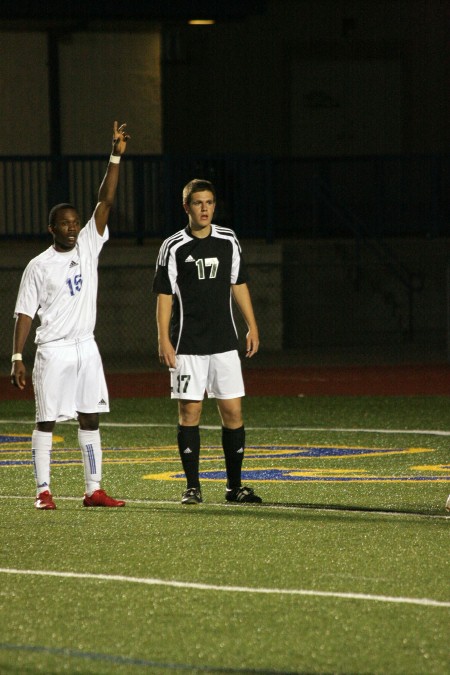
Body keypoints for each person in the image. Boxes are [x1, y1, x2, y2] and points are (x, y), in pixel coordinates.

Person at [10, 121, 130, 510]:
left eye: (76, 221)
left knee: (90, 417)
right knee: (46, 421)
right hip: (54, 351)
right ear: (51, 229)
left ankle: (93, 489)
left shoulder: (89, 245)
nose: (73, 226)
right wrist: (17, 356)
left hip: (85, 348)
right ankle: (43, 492)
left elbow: (105, 202)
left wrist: (115, 155)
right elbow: (24, 313)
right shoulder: (39, 266)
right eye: (65, 223)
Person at [152, 178, 262, 505]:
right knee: (190, 412)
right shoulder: (173, 246)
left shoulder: (228, 240)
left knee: (232, 411)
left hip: (224, 342)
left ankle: (234, 486)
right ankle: (192, 486)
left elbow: (238, 283)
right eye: (198, 203)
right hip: (187, 344)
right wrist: (163, 340)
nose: (205, 209)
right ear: (186, 206)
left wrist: (252, 326)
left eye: (210, 202)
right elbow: (164, 295)